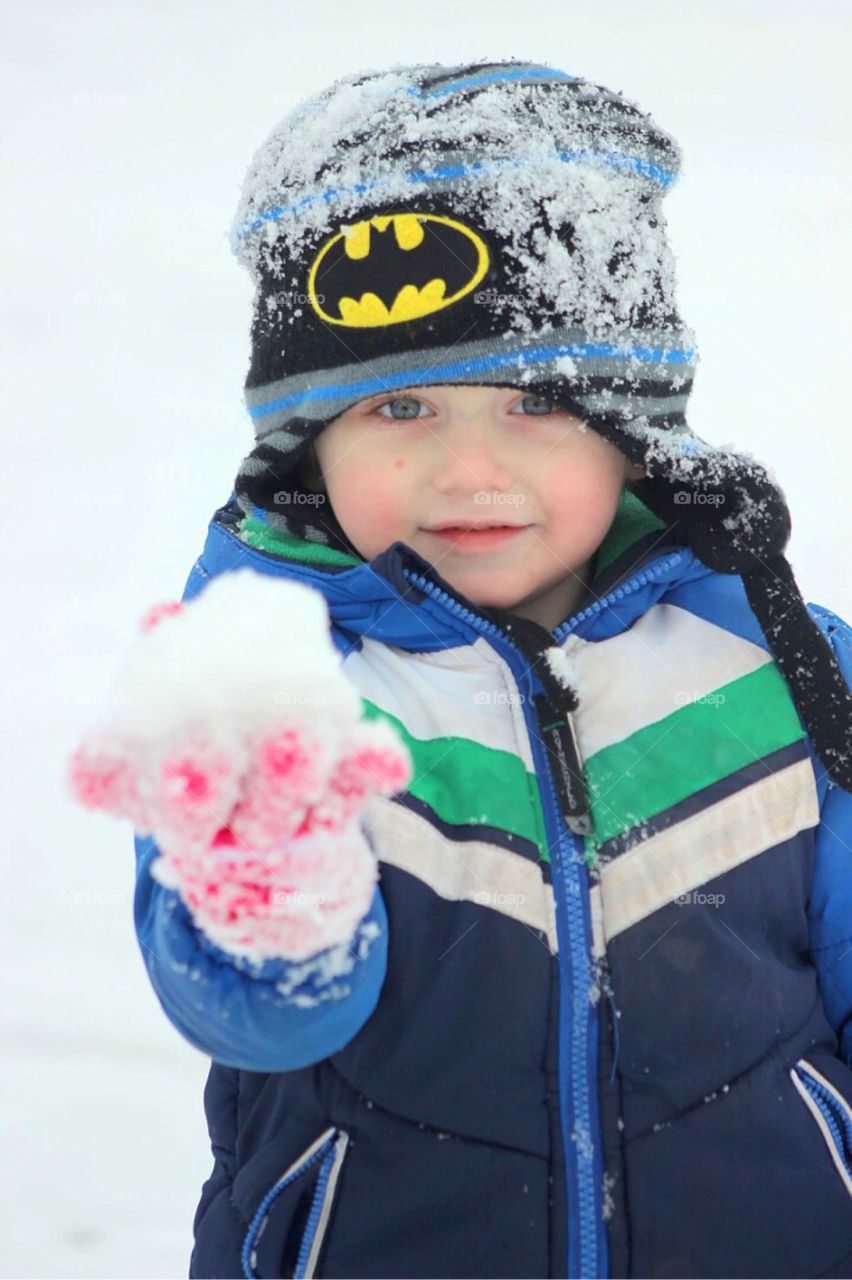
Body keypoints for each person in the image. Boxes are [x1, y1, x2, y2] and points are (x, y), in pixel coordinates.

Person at [133, 60, 852, 1277]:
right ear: (311, 446)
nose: (470, 475)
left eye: (534, 402)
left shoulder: (780, 659)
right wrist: (263, 881)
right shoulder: (276, 686)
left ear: (635, 426)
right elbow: (254, 1017)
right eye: (400, 409)